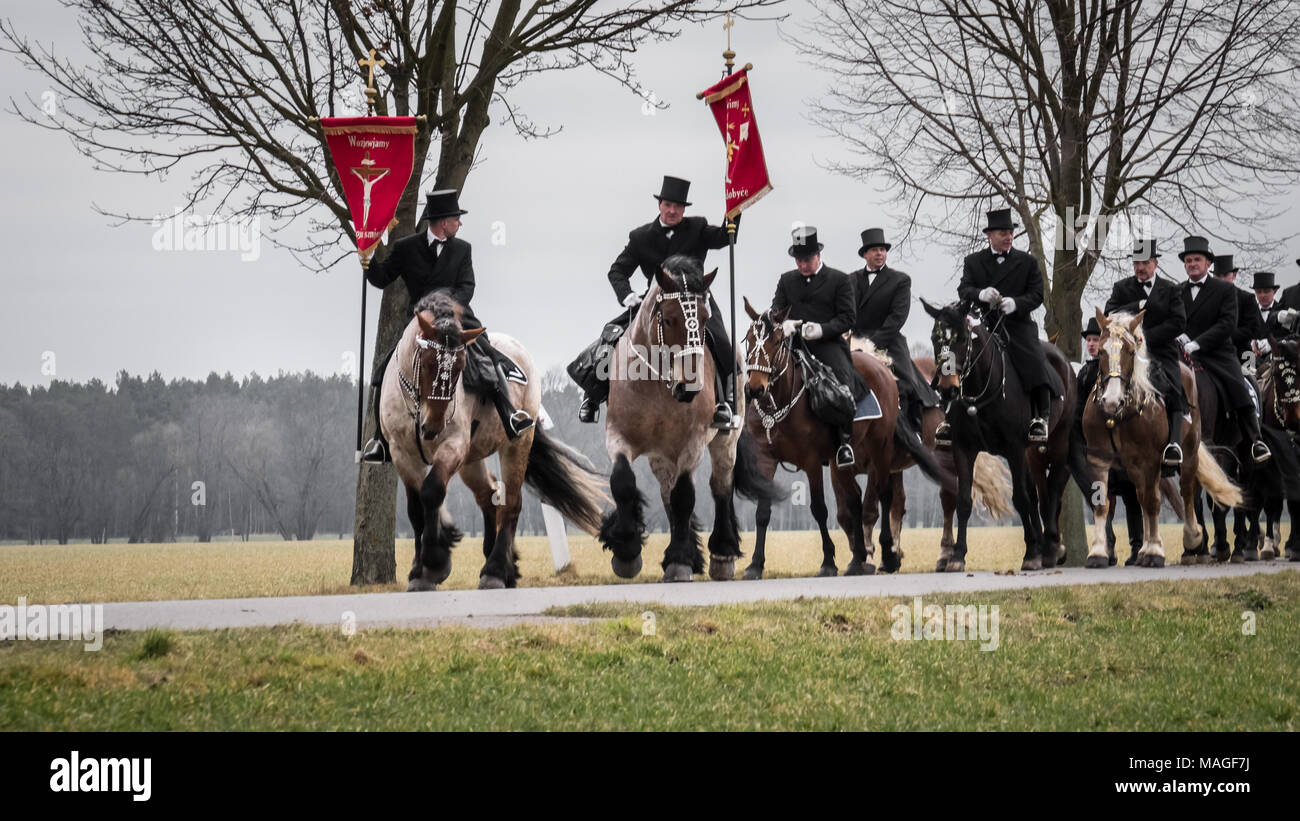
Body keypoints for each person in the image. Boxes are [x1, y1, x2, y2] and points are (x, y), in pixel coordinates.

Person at [358, 190, 533, 463]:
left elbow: (467, 286)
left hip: (457, 318)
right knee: (383, 370)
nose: (459, 224)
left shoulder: (463, 249)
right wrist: (367, 261)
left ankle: (509, 414)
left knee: (488, 357)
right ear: (442, 222)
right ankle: (380, 441)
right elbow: (382, 278)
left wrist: (449, 309)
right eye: (456, 219)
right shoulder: (406, 248)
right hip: (420, 323)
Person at [570, 175, 738, 427]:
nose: (672, 211)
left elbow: (725, 237)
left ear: (684, 209)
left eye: (678, 207)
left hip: (694, 300)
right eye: (668, 205)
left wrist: (735, 208)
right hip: (657, 300)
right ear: (660, 205)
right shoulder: (641, 237)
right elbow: (617, 271)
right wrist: (627, 295)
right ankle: (593, 394)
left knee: (721, 341)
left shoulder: (698, 227)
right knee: (611, 334)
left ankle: (725, 401)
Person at [948, 207, 1056, 447]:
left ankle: (1041, 417)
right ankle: (947, 415)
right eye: (1003, 233)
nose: (1008, 237)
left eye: (1010, 232)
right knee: (952, 357)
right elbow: (964, 290)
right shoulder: (973, 261)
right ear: (990, 235)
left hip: (1017, 325)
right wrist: (981, 294)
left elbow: (1037, 294)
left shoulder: (1027, 262)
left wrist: (1016, 303)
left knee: (1036, 359)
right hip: (983, 324)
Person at [770, 226, 867, 468]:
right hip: (793, 343)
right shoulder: (786, 280)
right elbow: (775, 312)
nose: (802, 265)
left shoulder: (840, 280)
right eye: (799, 260)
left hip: (827, 344)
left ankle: (844, 441)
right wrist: (784, 323)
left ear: (818, 256)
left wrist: (822, 329)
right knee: (765, 372)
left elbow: (848, 318)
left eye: (807, 260)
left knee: (843, 383)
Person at [1177, 236, 1270, 463]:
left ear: (1208, 264)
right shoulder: (1176, 291)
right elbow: (1172, 319)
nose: (1192, 264)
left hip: (1216, 352)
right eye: (1188, 260)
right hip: (1183, 353)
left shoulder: (1224, 290)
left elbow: (1227, 324)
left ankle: (1256, 439)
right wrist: (1177, 334)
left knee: (1237, 383)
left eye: (1197, 259)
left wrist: (1198, 342)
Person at [1104, 238, 1188, 474]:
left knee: (1173, 388)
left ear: (1155, 264)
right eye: (1136, 263)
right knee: (1107, 383)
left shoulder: (1171, 289)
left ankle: (1174, 443)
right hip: (1127, 353)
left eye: (1145, 262)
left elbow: (1179, 322)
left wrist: (1146, 338)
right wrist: (1137, 303)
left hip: (1161, 352)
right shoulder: (1122, 288)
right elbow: (1110, 313)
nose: (1140, 268)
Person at [848, 227, 940, 433]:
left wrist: (873, 342)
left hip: (889, 341)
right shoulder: (850, 280)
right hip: (856, 341)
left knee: (908, 384)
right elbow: (846, 313)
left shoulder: (900, 280)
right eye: (874, 250)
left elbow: (897, 317)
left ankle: (914, 428)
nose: (879, 253)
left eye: (882, 249)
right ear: (865, 254)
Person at [1075, 316, 1144, 564]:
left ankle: (1137, 546)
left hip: (1122, 449)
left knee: (1132, 496)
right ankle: (1107, 544)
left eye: (1095, 340)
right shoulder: (1085, 374)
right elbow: (1077, 413)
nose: (1092, 344)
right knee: (1098, 496)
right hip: (1096, 449)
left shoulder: (1114, 370)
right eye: (1089, 340)